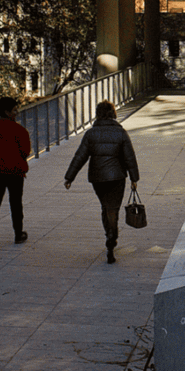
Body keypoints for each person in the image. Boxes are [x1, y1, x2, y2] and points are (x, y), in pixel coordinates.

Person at [64, 101, 140, 263]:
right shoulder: (121, 133)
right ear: (113, 114)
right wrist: (134, 178)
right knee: (113, 208)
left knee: (105, 206)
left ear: (98, 114)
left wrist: (69, 177)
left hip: (97, 178)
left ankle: (109, 234)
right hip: (117, 177)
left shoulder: (91, 134)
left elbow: (80, 156)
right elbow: (130, 158)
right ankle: (112, 236)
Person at [0, 96, 32, 252]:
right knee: (16, 203)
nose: (17, 112)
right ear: (7, 112)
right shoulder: (20, 130)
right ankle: (18, 234)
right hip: (15, 172)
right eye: (15, 110)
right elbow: (25, 151)